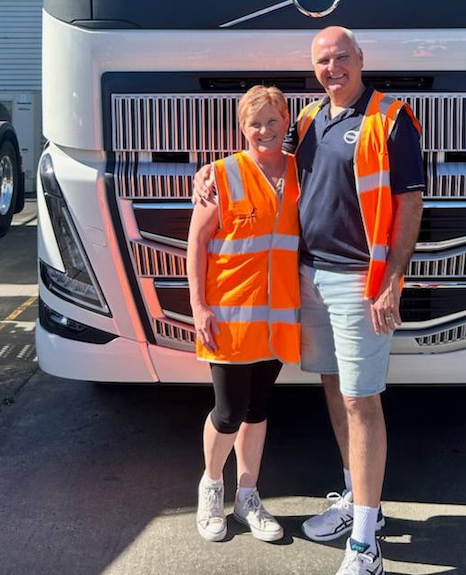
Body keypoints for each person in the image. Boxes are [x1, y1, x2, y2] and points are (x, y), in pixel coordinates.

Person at [194, 26, 424, 574]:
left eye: (342, 57)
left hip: (357, 281)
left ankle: (366, 546)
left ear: (361, 59)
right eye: (323, 61)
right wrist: (209, 172)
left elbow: (410, 204)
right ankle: (354, 502)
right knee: (333, 389)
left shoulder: (391, 119)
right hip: (309, 278)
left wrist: (392, 279)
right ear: (314, 69)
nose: (333, 68)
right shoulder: (307, 121)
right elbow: (263, 155)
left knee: (361, 401)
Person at [186, 85, 300, 544]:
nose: (264, 131)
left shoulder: (300, 172)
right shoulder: (221, 175)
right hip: (229, 317)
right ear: (242, 127)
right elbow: (196, 243)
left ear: (286, 121)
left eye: (273, 121)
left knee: (258, 408)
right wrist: (198, 306)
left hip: (276, 319)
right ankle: (211, 487)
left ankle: (248, 496)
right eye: (255, 123)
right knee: (229, 411)